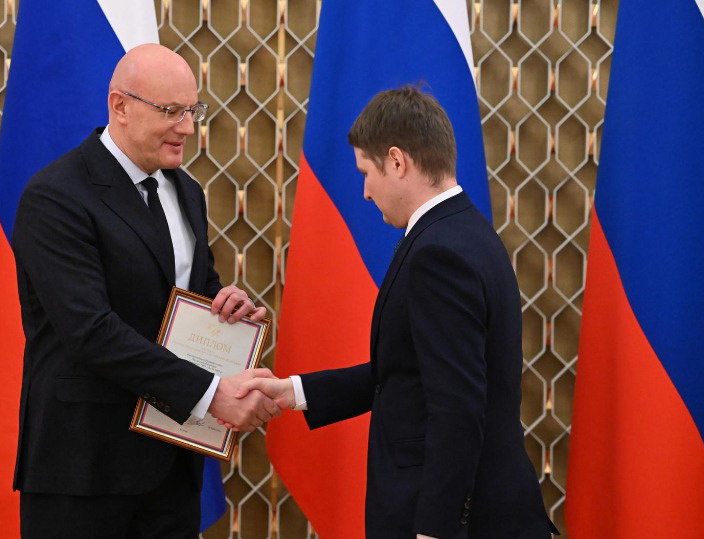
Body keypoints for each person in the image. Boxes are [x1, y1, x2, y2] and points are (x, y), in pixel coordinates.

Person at [236, 87, 560, 538]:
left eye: (365, 173)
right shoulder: (463, 232)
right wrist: (294, 391)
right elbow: (411, 371)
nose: (365, 193)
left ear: (396, 161)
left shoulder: (439, 253)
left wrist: (434, 530)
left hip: (455, 521)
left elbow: (457, 408)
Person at [11, 44, 278, 538]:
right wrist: (209, 393)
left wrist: (225, 302)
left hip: (171, 464)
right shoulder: (56, 196)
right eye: (171, 111)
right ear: (120, 107)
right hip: (85, 469)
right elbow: (91, 331)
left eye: (193, 110)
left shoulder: (186, 190)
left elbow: (190, 287)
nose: (188, 128)